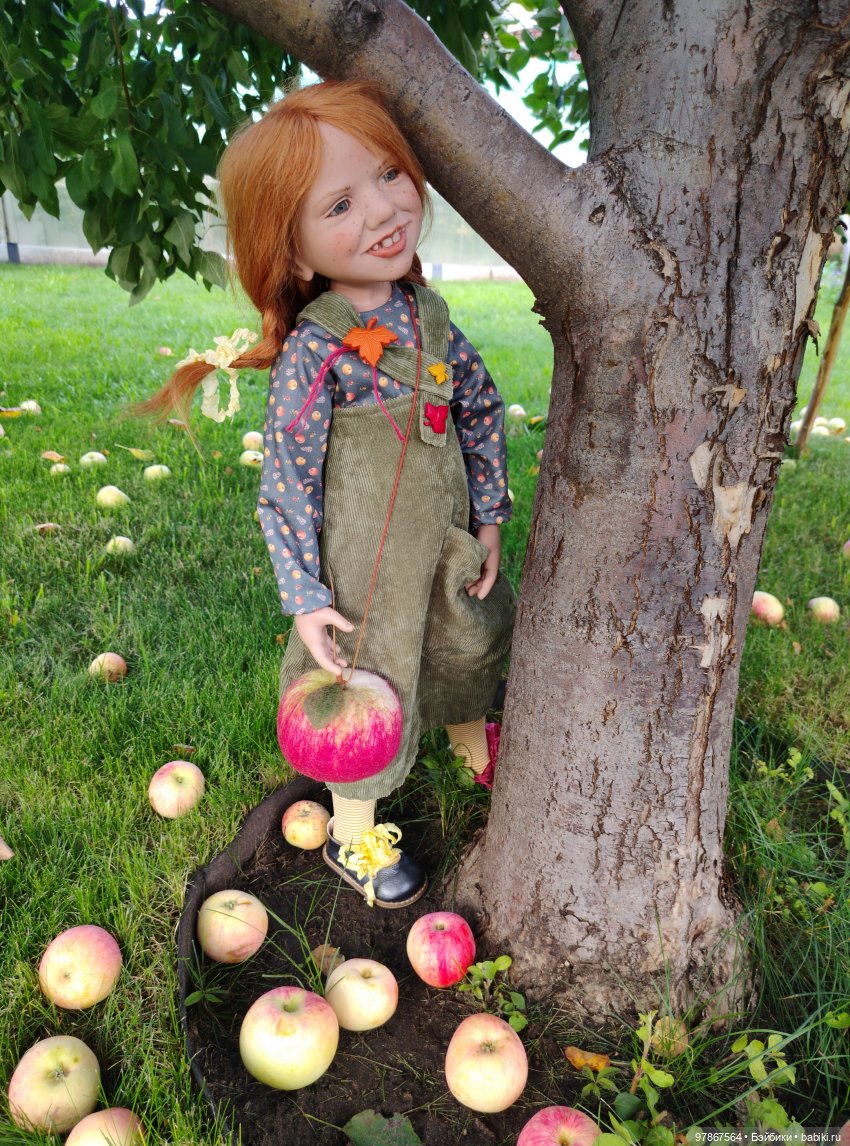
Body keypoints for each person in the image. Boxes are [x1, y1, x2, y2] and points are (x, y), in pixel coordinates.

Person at [140, 80, 515, 909]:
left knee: (464, 636)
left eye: (388, 174)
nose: (382, 210)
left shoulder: (432, 319)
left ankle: (468, 745)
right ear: (297, 254)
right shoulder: (318, 352)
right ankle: (354, 828)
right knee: (368, 682)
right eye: (340, 204)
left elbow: (482, 408)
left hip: (445, 539)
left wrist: (489, 515)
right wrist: (306, 594)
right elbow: (287, 479)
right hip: (364, 570)